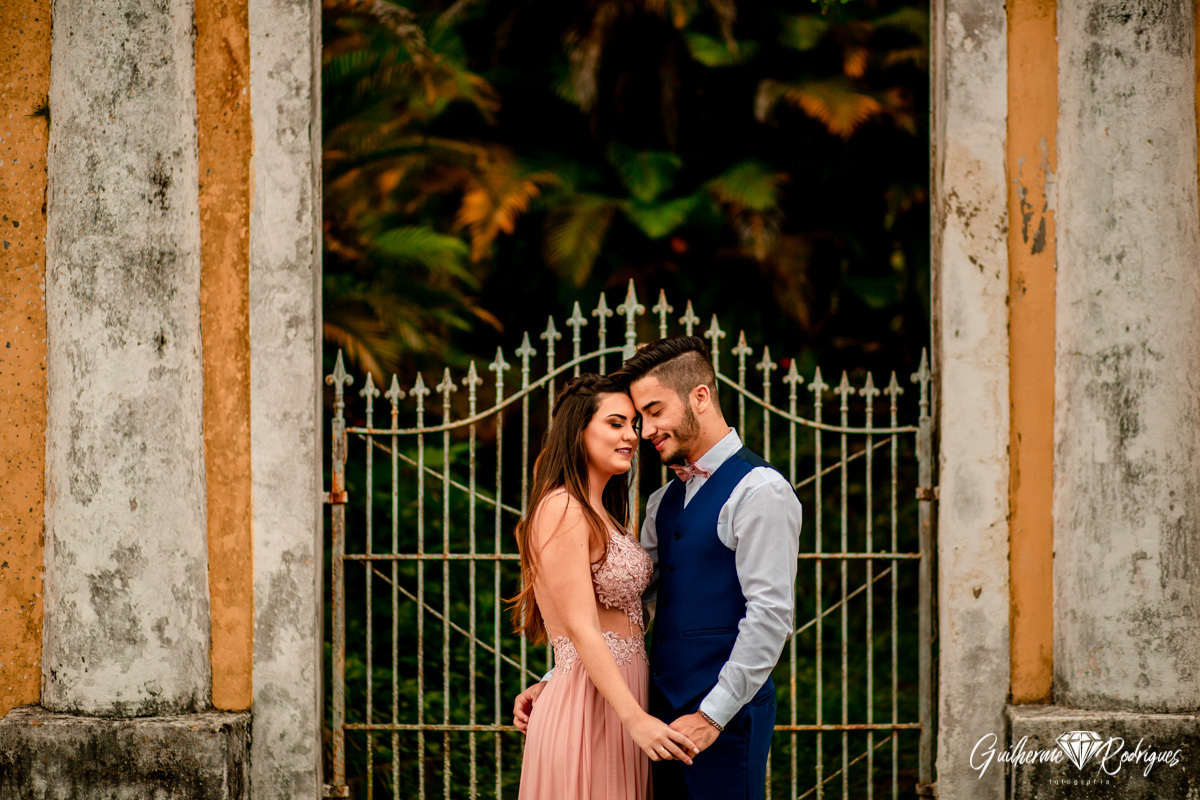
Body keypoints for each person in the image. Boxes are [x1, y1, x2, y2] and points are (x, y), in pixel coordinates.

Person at [514, 337, 802, 800]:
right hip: (650, 716)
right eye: (631, 419)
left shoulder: (761, 491)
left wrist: (712, 716)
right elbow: (627, 603)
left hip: (723, 720)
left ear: (700, 397)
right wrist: (558, 677)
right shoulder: (659, 501)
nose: (643, 432)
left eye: (651, 412)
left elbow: (769, 616)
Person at [512, 373, 699, 800]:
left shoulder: (602, 512)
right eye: (615, 423)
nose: (632, 436)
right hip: (592, 710)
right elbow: (580, 627)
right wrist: (636, 719)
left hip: (617, 699)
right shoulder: (561, 507)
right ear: (578, 431)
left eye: (633, 425)